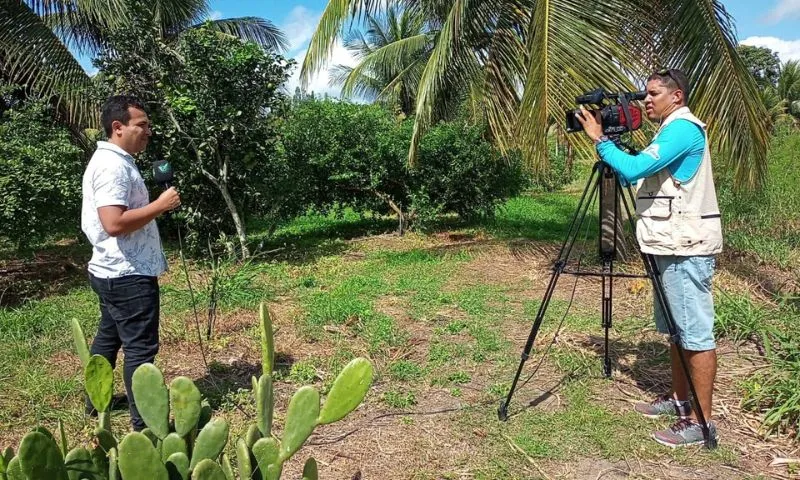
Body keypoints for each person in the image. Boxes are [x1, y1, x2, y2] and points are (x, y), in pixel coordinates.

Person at [575, 69, 722, 447]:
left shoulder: (683, 128)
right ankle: (679, 401)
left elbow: (637, 168)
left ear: (676, 96)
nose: (645, 100)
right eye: (644, 94)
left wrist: (601, 141)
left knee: (694, 334)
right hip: (668, 244)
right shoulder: (667, 132)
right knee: (678, 332)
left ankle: (702, 425)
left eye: (653, 93)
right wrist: (614, 153)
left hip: (686, 248)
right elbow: (638, 177)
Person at [81, 95, 180, 430]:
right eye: (142, 125)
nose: (148, 132)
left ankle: (97, 403)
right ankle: (145, 426)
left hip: (110, 269)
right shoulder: (112, 166)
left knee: (108, 338)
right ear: (118, 127)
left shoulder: (115, 159)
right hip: (127, 274)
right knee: (140, 349)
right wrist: (160, 204)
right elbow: (114, 222)